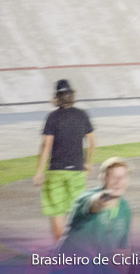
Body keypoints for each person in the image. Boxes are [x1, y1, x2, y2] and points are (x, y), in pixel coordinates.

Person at [33, 79, 95, 243]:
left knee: (57, 211)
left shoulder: (52, 117)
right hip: (77, 171)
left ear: (57, 97)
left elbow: (46, 145)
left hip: (56, 172)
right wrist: (87, 163)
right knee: (77, 212)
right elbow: (92, 142)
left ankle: (61, 253)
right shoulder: (82, 115)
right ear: (72, 95)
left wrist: (39, 172)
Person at [57, 157, 131, 257]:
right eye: (113, 177)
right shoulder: (85, 198)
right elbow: (93, 204)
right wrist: (103, 198)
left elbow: (123, 249)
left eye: (122, 177)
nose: (118, 182)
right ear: (103, 178)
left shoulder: (125, 209)